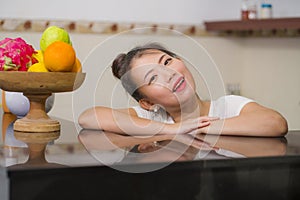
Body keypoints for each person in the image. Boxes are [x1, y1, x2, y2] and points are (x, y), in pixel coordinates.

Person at [78, 43, 288, 137]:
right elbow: (89, 117)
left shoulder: (228, 106)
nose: (168, 74)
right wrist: (174, 129)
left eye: (167, 62)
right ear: (148, 103)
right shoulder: (154, 119)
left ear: (180, 61)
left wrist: (199, 128)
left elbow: (275, 123)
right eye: (153, 77)